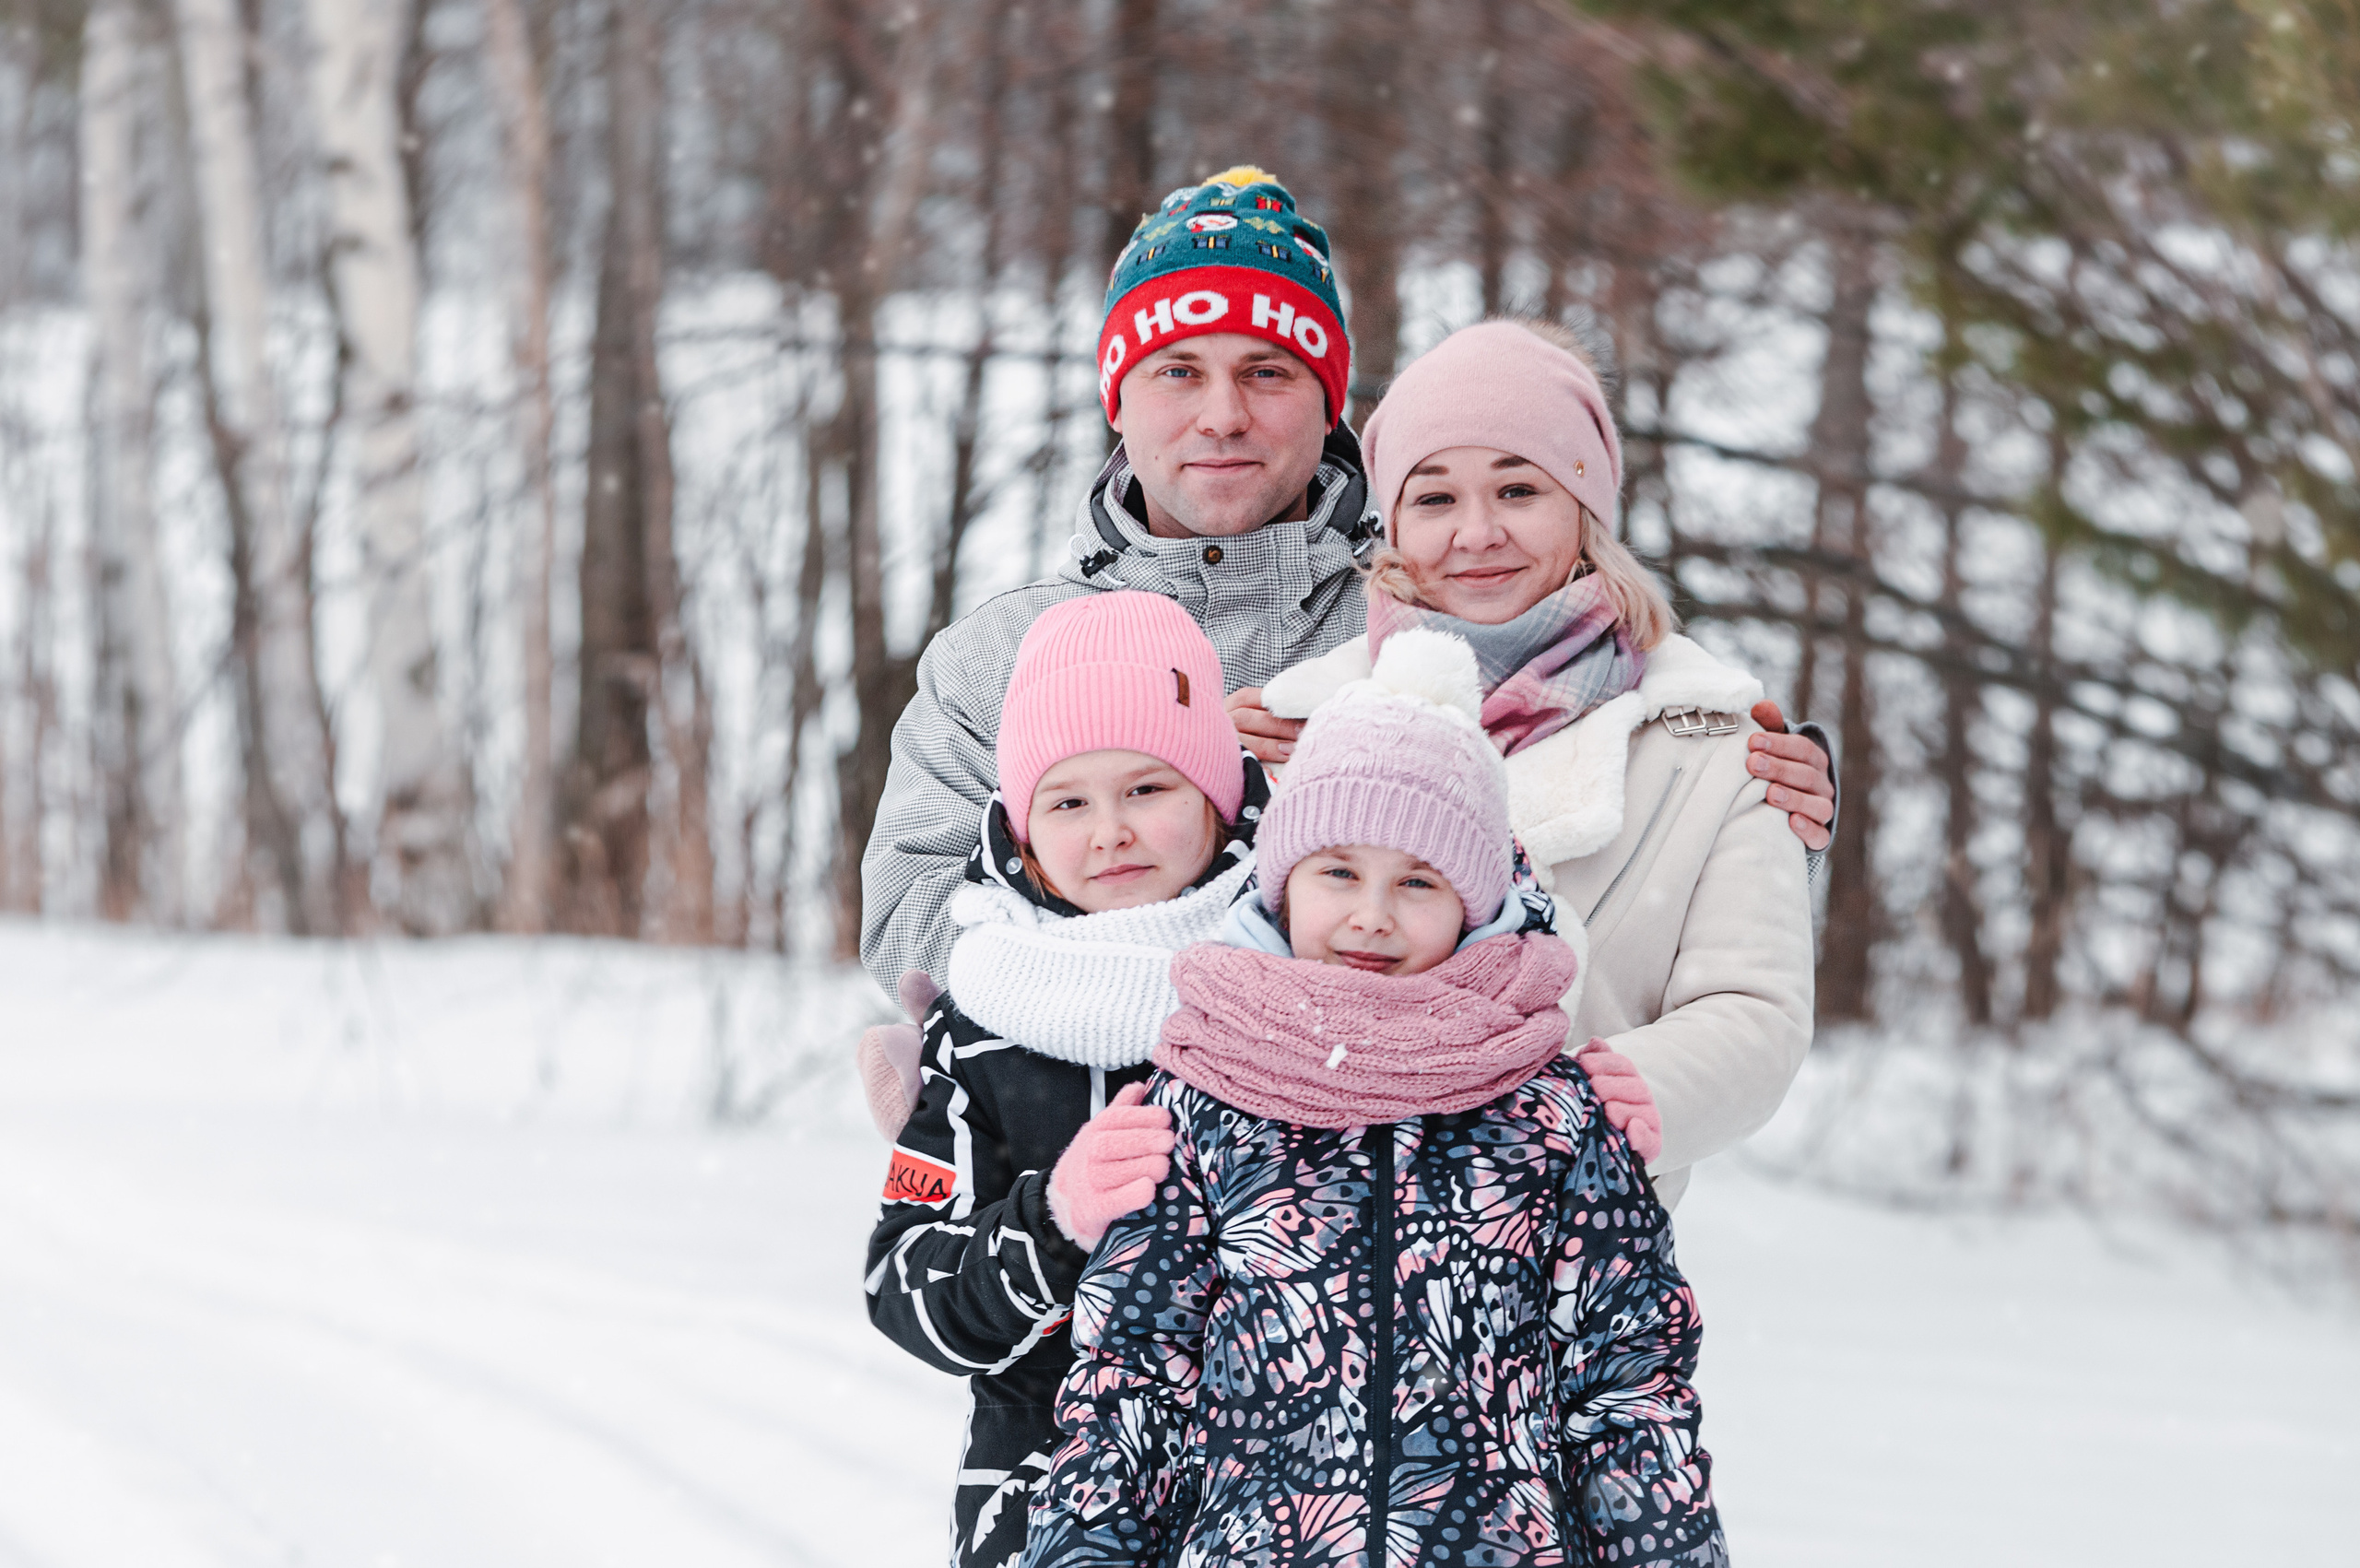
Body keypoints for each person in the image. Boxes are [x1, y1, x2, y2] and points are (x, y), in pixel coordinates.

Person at [856, 165, 1833, 1130]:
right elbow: (910, 915)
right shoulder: (1003, 651)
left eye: (1267, 372)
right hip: (1071, 1193)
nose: (1223, 415)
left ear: (1330, 404)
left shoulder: (1431, 618)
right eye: (1179, 371)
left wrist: (1775, 816)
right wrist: (1164, 1013)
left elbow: (1592, 849)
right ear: (1118, 397)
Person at [1024, 631, 1725, 1568]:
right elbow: (1132, 1387)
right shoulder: (1201, 1103)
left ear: (1475, 906)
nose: (1370, 915)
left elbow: (1627, 1386)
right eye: (1339, 872)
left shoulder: (1549, 1115)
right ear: (1282, 885)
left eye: (1418, 883)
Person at [1251, 317, 1817, 1208]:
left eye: (1518, 490)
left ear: (1585, 508)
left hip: (1570, 1263)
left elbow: (1753, 1018)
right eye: (1434, 499)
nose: (1476, 533)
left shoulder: (1717, 743)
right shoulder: (1301, 725)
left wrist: (1549, 1121)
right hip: (1303, 1265)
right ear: (1393, 521)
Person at [866, 592, 1272, 1568]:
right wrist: (1050, 1225)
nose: (1109, 833)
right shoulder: (984, 1019)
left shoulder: (1292, 984)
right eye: (1069, 801)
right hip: (1045, 1496)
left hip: (1275, 1490)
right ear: (1021, 825)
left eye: (1149, 789)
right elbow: (903, 1286)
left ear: (1220, 798)